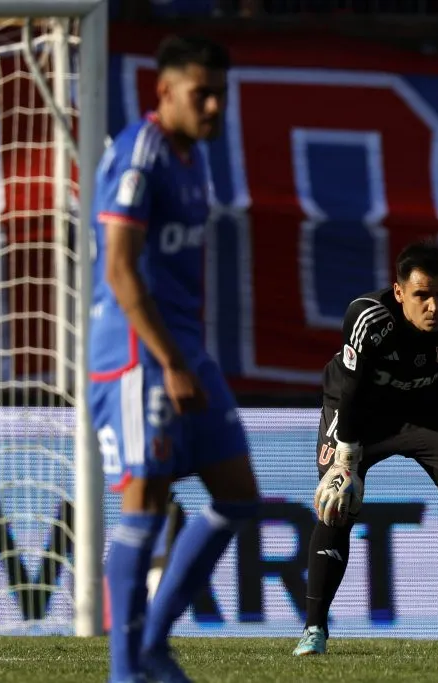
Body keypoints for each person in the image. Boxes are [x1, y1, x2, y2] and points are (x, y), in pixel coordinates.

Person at [88, 35, 260, 683]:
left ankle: (154, 643)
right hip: (139, 352)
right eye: (201, 93)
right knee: (146, 501)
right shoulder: (142, 155)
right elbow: (120, 271)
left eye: (221, 92)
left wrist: (187, 356)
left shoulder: (194, 157)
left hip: (186, 350)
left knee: (239, 495)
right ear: (163, 91)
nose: (214, 105)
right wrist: (168, 360)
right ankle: (125, 670)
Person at [294, 241, 438, 657]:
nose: (434, 306)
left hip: (428, 413)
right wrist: (347, 461)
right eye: (422, 295)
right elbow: (352, 392)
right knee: (337, 502)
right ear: (399, 292)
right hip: (360, 415)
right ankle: (313, 630)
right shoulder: (369, 317)